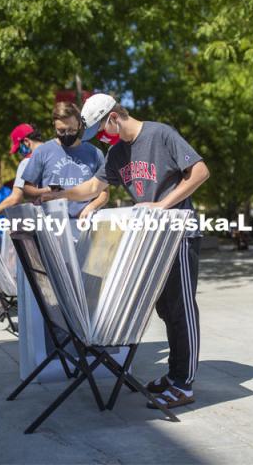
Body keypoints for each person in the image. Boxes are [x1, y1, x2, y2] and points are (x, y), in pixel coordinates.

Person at [42, 93, 210, 408]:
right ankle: (174, 375)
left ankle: (184, 384)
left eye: (102, 131)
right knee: (164, 310)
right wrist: (55, 194)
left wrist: (161, 205)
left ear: (114, 117)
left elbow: (200, 172)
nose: (103, 139)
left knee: (182, 307)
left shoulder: (160, 134)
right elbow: (94, 187)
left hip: (178, 233)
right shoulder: (118, 153)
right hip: (151, 240)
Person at [22, 102, 109, 223]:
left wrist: (91, 207)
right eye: (61, 131)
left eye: (71, 130)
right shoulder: (42, 151)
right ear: (54, 126)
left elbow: (104, 192)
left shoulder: (95, 153)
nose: (67, 135)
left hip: (86, 223)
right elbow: (26, 190)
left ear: (79, 125)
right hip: (52, 224)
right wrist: (46, 192)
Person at [0, 124, 43, 222]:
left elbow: (15, 198)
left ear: (26, 141)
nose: (20, 153)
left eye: (19, 149)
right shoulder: (57, 153)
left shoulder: (27, 162)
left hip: (43, 220)